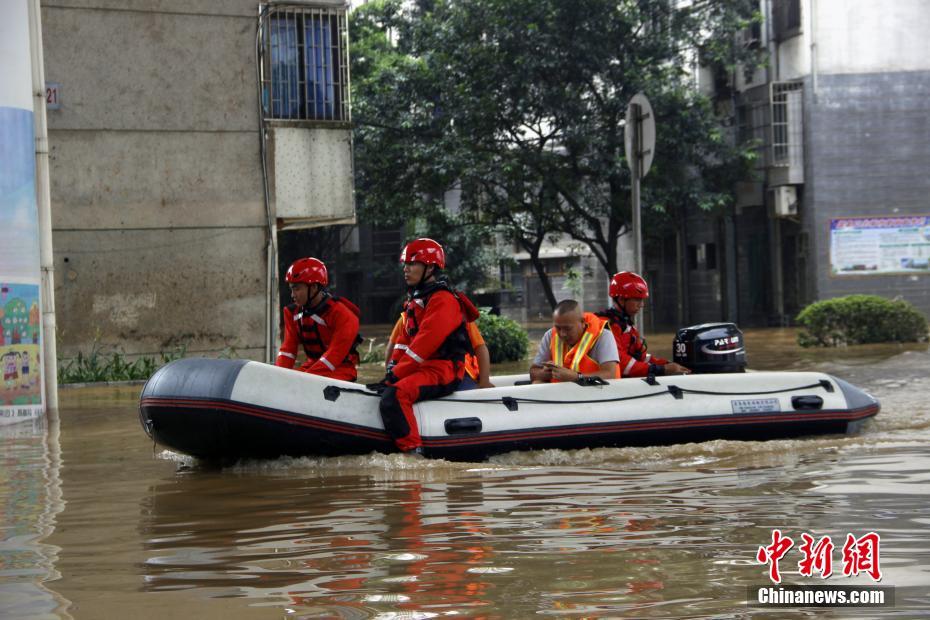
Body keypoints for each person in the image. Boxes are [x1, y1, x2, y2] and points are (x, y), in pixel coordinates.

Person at [373, 238, 478, 453]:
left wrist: (395, 377)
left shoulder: (444, 300)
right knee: (387, 390)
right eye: (405, 264)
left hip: (445, 370)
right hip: (424, 368)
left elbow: (423, 345)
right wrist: (392, 369)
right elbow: (403, 343)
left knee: (396, 395)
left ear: (430, 267)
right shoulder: (415, 300)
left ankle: (413, 452)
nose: (406, 269)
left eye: (412, 264)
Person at [275, 257, 362, 382]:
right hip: (312, 366)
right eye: (291, 289)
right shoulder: (292, 313)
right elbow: (288, 350)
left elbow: (334, 356)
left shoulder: (343, 314)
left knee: (298, 385)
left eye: (297, 288)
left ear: (314, 287)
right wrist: (278, 376)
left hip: (340, 369)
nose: (293, 295)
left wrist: (305, 379)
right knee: (285, 382)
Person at [597, 271, 690, 377]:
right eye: (637, 300)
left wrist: (667, 364)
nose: (641, 305)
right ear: (621, 300)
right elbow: (622, 364)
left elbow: (642, 357)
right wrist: (661, 369)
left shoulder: (626, 325)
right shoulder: (607, 326)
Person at [386, 313, 493, 390]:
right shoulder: (406, 319)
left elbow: (480, 347)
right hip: (423, 375)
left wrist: (484, 382)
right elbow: (391, 352)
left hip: (460, 374)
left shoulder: (459, 315)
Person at [529, 299, 620, 384]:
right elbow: (533, 373)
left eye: (568, 328)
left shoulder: (604, 336)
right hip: (561, 396)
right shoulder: (549, 335)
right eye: (558, 328)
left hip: (597, 395)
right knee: (537, 382)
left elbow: (610, 375)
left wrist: (575, 377)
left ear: (582, 322)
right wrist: (551, 372)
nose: (562, 334)